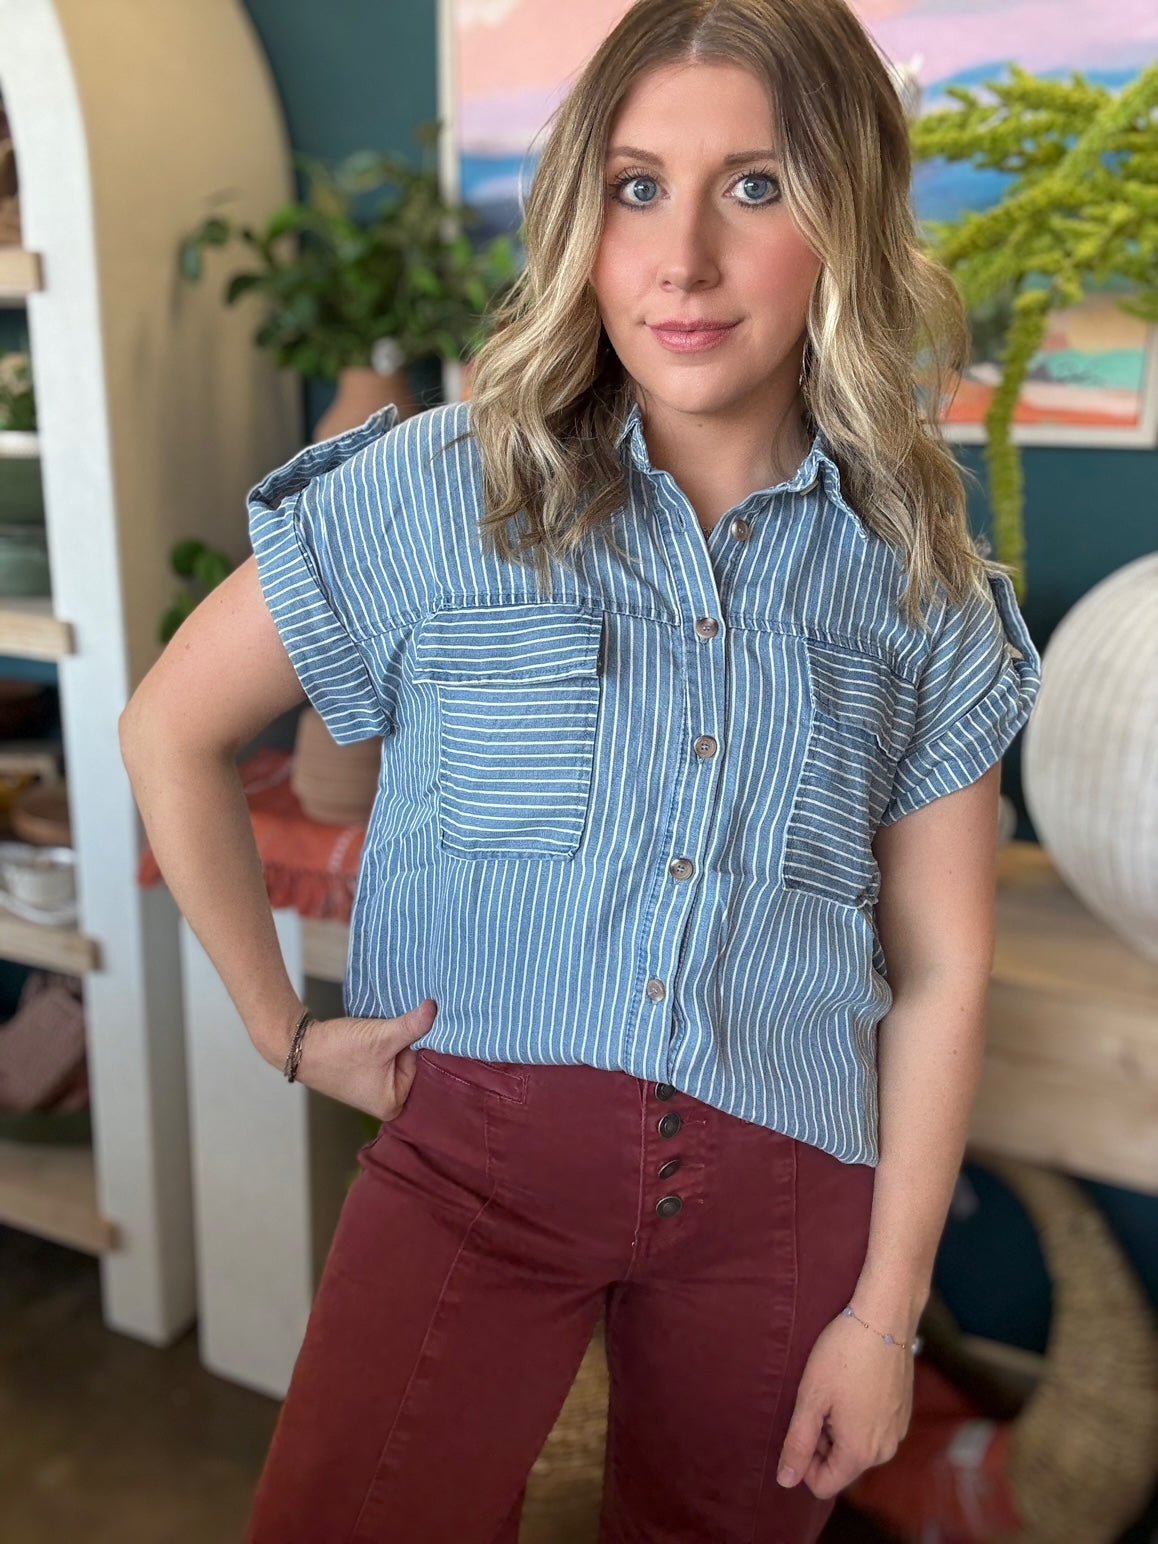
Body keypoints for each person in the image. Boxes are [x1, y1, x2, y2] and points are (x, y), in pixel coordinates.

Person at [120, 0, 1042, 1539]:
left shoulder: (920, 585)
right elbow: (172, 729)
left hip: (785, 1196)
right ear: (581, 220)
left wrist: (885, 1316)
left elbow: (943, 967)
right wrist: (288, 1030)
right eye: (633, 187)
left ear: (847, 225)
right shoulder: (440, 487)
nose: (680, 256)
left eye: (755, 185)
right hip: (466, 1172)